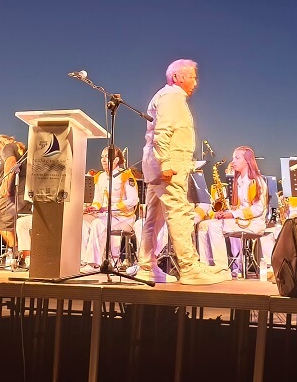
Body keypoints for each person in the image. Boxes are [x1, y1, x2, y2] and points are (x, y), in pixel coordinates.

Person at [138, 59, 230, 285]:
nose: (196, 83)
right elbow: (163, 131)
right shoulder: (172, 96)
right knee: (179, 214)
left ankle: (146, 267)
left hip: (160, 164)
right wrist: (165, 163)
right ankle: (189, 268)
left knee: (154, 219)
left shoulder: (168, 96)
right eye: (192, 77)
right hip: (169, 165)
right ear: (177, 77)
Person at [196, 146, 269, 278]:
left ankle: (221, 269)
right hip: (241, 220)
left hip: (253, 223)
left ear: (247, 161)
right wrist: (225, 213)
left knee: (214, 227)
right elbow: (238, 208)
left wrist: (232, 214)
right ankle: (206, 266)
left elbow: (258, 209)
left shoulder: (256, 181)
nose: (233, 161)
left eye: (237, 158)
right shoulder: (239, 181)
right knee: (203, 225)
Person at [82, 147, 138, 270]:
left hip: (123, 217)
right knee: (83, 222)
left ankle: (94, 264)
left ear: (116, 160)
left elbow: (134, 200)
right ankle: (82, 260)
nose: (103, 160)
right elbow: (97, 201)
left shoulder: (125, 175)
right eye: (102, 157)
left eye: (106, 157)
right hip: (105, 215)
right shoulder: (100, 177)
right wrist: (93, 208)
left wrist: (110, 208)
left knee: (98, 223)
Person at [0, 135, 28, 269]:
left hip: (13, 194)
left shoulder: (7, 147)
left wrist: (5, 184)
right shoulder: (20, 148)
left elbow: (11, 163)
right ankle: (24, 256)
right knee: (17, 224)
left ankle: (15, 250)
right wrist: (0, 176)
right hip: (25, 192)